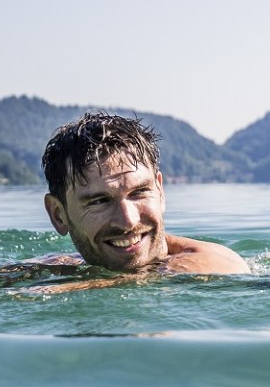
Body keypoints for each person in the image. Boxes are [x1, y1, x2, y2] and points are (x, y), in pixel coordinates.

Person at [37, 112, 249, 286]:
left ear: (160, 191)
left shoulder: (217, 264)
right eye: (99, 201)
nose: (128, 220)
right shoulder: (59, 268)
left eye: (139, 192)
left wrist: (76, 287)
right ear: (58, 215)